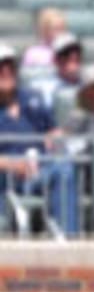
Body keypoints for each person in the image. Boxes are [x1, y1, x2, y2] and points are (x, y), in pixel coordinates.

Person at [0, 44, 78, 235]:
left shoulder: (32, 98)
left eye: (10, 66)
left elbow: (52, 130)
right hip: (6, 177)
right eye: (0, 67)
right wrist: (11, 165)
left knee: (64, 170)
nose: (6, 72)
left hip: (39, 168)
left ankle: (67, 238)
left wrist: (56, 138)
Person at [28, 32, 82, 109]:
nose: (73, 56)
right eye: (66, 55)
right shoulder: (42, 89)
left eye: (76, 53)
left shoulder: (87, 87)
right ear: (55, 59)